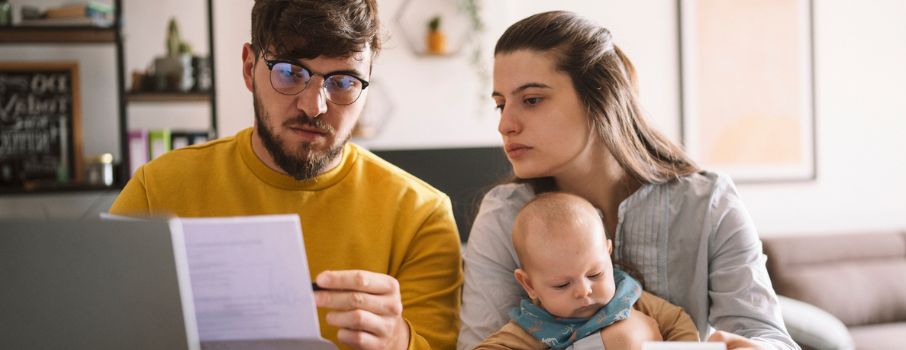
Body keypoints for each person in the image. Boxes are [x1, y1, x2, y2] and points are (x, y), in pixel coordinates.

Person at [109, 1, 462, 349]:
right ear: (249, 68)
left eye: (343, 82)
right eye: (291, 73)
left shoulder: (422, 216)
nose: (314, 106)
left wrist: (398, 341)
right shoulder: (157, 189)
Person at [458, 11, 800, 350]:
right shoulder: (504, 216)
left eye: (532, 100)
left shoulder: (709, 203)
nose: (506, 125)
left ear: (601, 98)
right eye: (501, 105)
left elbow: (770, 336)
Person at [475, 192, 698, 350]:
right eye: (562, 284)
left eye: (595, 274)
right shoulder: (534, 326)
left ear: (608, 255)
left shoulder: (629, 297)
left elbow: (678, 322)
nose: (584, 291)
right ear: (529, 285)